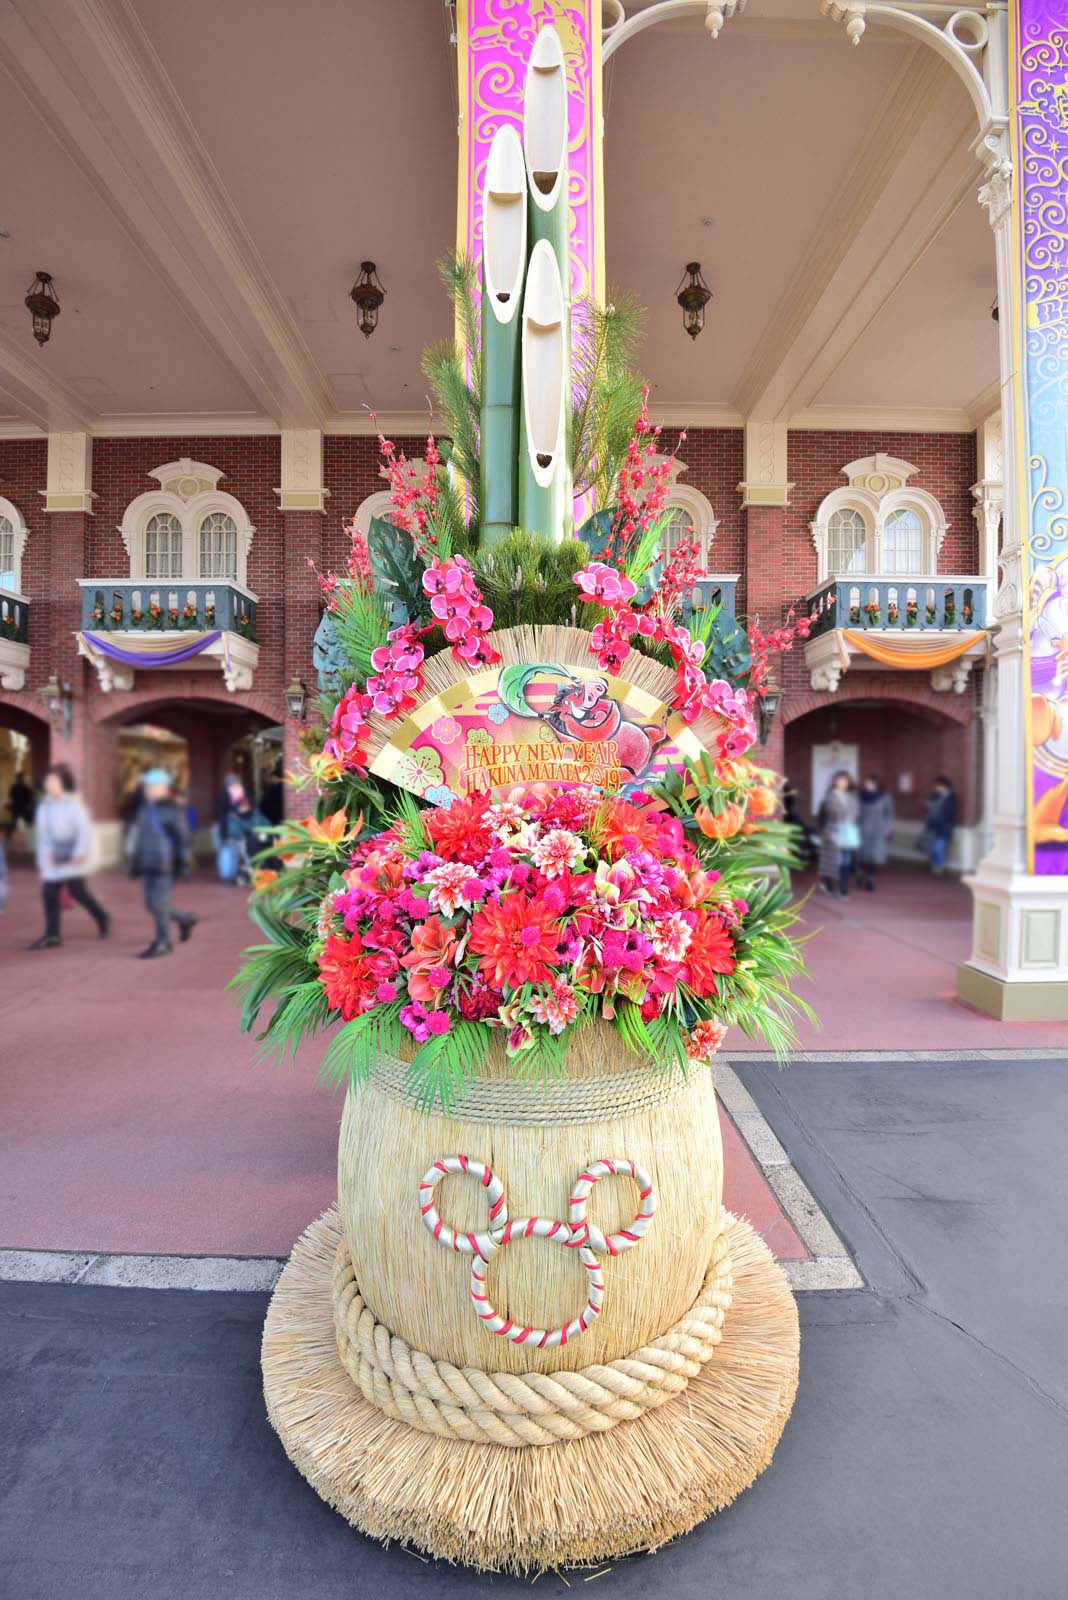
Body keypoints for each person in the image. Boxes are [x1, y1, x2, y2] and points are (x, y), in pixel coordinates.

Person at [29, 764, 111, 949]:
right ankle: (52, 935)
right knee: (49, 893)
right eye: (48, 780)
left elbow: (83, 830)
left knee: (78, 892)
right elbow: (43, 834)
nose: (49, 784)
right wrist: (45, 856)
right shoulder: (44, 806)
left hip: (72, 854)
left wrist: (79, 853)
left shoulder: (74, 804)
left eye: (54, 781)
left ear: (63, 784)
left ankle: (103, 918)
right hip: (53, 855)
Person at [127, 767, 198, 958]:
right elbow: (140, 839)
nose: (147, 789)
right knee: (151, 904)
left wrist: (183, 865)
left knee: (158, 904)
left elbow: (183, 839)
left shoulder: (172, 810)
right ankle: (184, 919)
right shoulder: (144, 808)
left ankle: (163, 942)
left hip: (165, 865)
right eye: (146, 786)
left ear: (163, 788)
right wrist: (135, 864)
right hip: (147, 863)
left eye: (151, 786)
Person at [817, 770, 861, 899]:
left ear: (849, 783)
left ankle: (843, 889)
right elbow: (829, 811)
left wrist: (850, 818)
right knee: (833, 861)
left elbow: (857, 812)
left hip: (848, 831)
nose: (842, 783)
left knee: (846, 861)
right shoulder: (830, 796)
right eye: (839, 780)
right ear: (835, 782)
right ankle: (827, 883)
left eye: (845, 781)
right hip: (833, 830)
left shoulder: (852, 796)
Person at [858, 774, 893, 890]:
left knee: (875, 856)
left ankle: (870, 878)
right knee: (862, 855)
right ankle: (861, 873)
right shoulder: (860, 796)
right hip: (862, 829)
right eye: (867, 783)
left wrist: (888, 828)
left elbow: (888, 814)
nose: (868, 785)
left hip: (878, 830)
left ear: (877, 785)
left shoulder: (885, 797)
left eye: (871, 783)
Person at [923, 775, 957, 875]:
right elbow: (927, 809)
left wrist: (941, 819)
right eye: (936, 786)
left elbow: (950, 813)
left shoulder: (951, 797)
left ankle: (939, 866)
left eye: (938, 785)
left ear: (944, 786)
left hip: (944, 827)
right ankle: (934, 866)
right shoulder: (934, 796)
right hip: (932, 826)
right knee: (932, 848)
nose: (936, 787)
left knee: (938, 847)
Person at [6, 768, 34, 838]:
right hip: (23, 807)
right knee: (28, 822)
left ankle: (8, 835)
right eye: (21, 777)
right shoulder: (25, 788)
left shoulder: (15, 787)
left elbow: (11, 796)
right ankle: (31, 837)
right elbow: (29, 798)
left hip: (17, 807)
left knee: (14, 823)